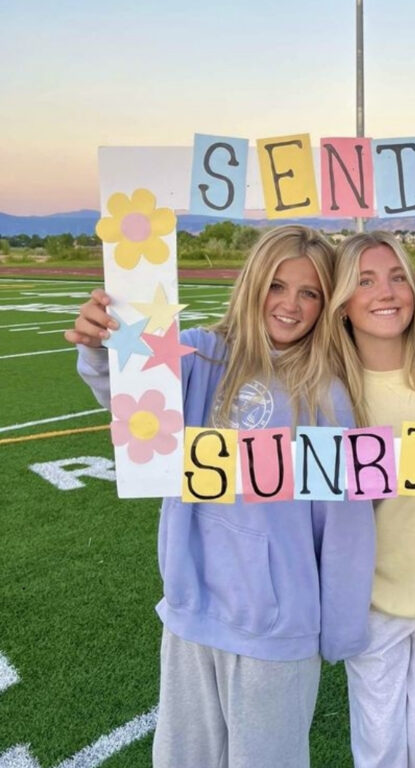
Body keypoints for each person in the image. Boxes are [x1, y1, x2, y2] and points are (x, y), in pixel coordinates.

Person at [65, 225, 376, 768]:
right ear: (253, 283)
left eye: (310, 293)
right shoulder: (202, 356)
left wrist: (341, 627)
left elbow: (345, 522)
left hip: (277, 631)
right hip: (191, 613)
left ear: (326, 305)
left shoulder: (328, 393)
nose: (290, 305)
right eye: (277, 285)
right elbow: (134, 398)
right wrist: (101, 348)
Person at [329, 232, 415, 768]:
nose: (386, 292)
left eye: (396, 277)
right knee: (381, 745)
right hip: (371, 602)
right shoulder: (327, 386)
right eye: (365, 280)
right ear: (342, 302)